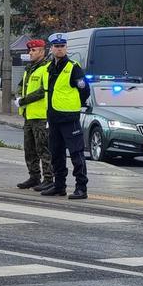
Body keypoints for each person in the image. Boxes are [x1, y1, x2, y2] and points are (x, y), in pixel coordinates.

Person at [41, 33, 90, 199]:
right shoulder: (49, 68)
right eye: (56, 46)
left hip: (69, 118)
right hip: (54, 118)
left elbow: (85, 90)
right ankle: (59, 185)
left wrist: (75, 105)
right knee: (56, 153)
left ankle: (81, 188)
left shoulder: (73, 67)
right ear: (52, 48)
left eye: (62, 46)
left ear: (66, 48)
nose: (59, 49)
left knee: (76, 153)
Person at [15, 39, 53, 192]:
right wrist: (18, 96)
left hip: (41, 116)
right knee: (29, 148)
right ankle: (34, 177)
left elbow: (42, 91)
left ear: (42, 52)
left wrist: (23, 100)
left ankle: (49, 178)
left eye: (34, 50)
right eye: (29, 51)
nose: (30, 53)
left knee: (43, 148)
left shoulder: (46, 68)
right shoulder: (29, 68)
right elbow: (21, 85)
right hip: (29, 115)